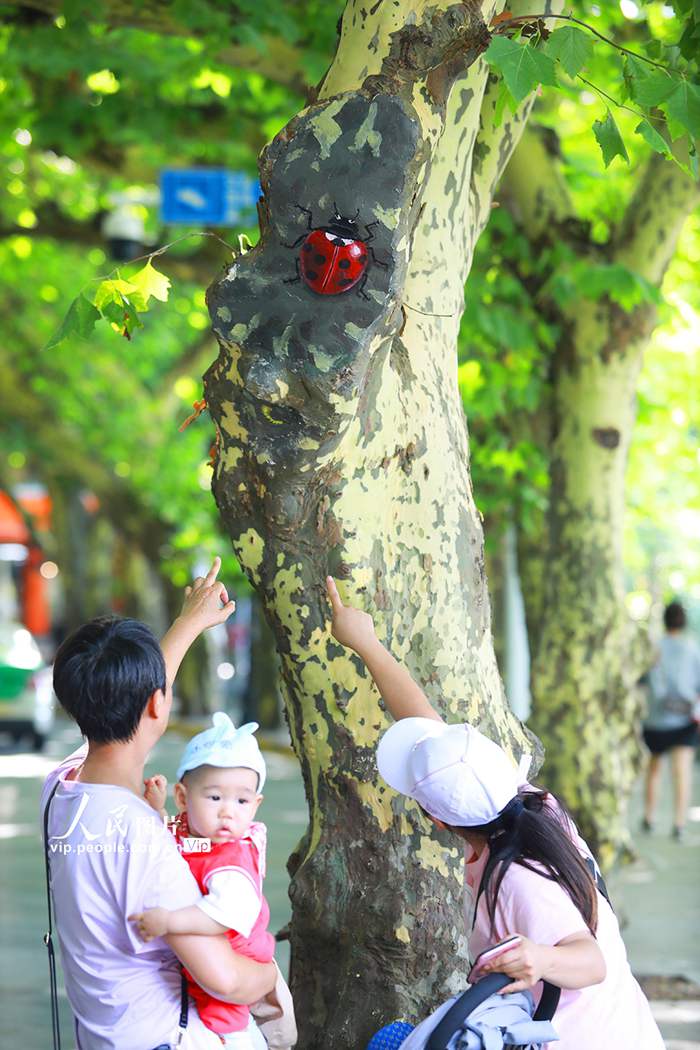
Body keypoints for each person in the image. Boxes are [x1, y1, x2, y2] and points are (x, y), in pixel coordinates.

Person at [325, 576, 665, 1050]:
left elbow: (591, 962)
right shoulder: (525, 802)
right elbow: (427, 724)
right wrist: (366, 644)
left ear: (438, 821)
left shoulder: (519, 878)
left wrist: (541, 958)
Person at [40, 558, 279, 1050]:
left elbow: (130, 704)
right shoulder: (144, 836)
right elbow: (224, 980)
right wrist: (267, 974)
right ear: (157, 703)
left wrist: (189, 623)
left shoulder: (60, 789)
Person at [130, 713, 297, 1050]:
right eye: (215, 797)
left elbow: (223, 915)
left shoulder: (231, 860)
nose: (228, 812)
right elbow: (174, 844)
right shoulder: (196, 833)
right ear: (183, 797)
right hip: (205, 962)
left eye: (242, 801)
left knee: (226, 1021)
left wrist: (169, 920)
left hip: (236, 954)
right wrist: (157, 812)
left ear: (255, 805)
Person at [642, 599, 700, 840]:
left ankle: (648, 816)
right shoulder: (693, 648)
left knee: (654, 769)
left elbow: (643, 679)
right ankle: (678, 823)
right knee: (682, 771)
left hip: (656, 720)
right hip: (685, 719)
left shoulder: (653, 648)